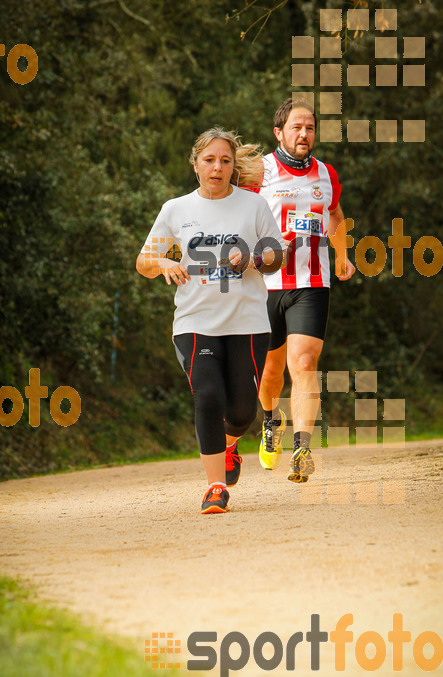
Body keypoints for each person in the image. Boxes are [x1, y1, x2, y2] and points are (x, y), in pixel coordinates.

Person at [136, 128, 284, 514]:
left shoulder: (253, 206)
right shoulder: (175, 209)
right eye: (209, 160)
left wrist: (252, 257)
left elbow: (276, 254)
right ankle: (215, 487)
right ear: (196, 164)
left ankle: (232, 444)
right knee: (207, 395)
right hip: (194, 321)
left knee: (241, 412)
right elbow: (143, 261)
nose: (217, 167)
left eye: (225, 161)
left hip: (247, 322)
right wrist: (165, 261)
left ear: (234, 167)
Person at [253, 98, 355, 482]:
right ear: (278, 132)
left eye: (310, 127)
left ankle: (301, 448)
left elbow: (336, 215)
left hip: (312, 284)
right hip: (264, 287)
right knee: (269, 373)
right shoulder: (258, 170)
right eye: (296, 127)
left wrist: (342, 254)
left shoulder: (326, 174)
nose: (304, 134)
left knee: (305, 364)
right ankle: (269, 421)